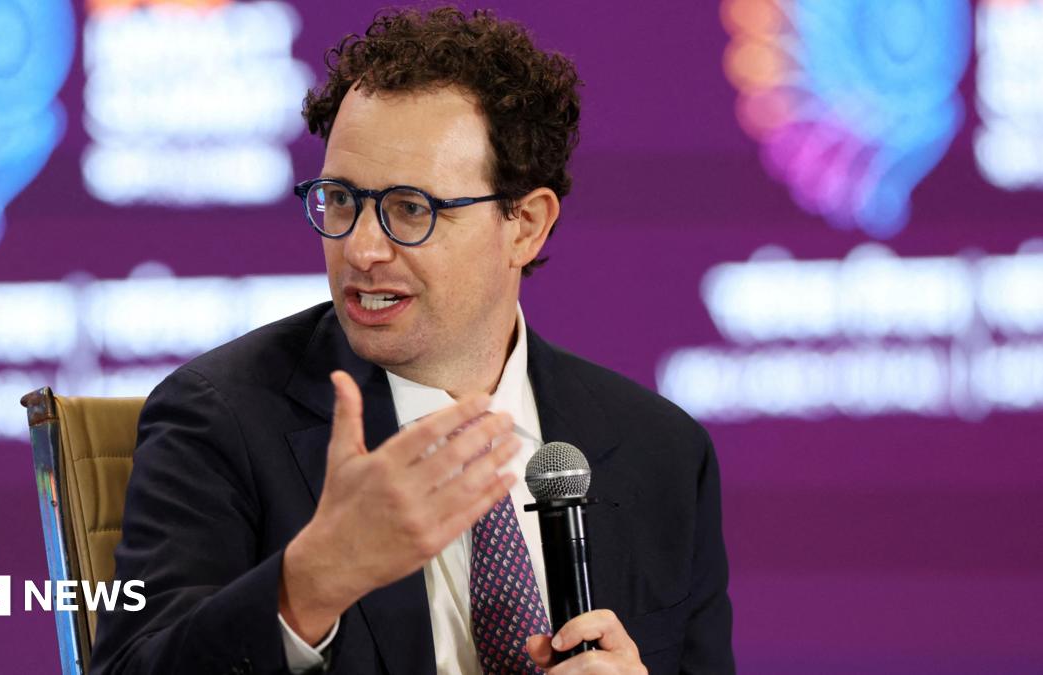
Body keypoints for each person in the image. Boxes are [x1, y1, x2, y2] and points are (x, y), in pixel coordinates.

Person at [92, 7, 733, 675]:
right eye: (340, 199)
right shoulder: (222, 420)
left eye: (411, 209)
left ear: (526, 225)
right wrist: (311, 583)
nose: (362, 248)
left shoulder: (662, 451)